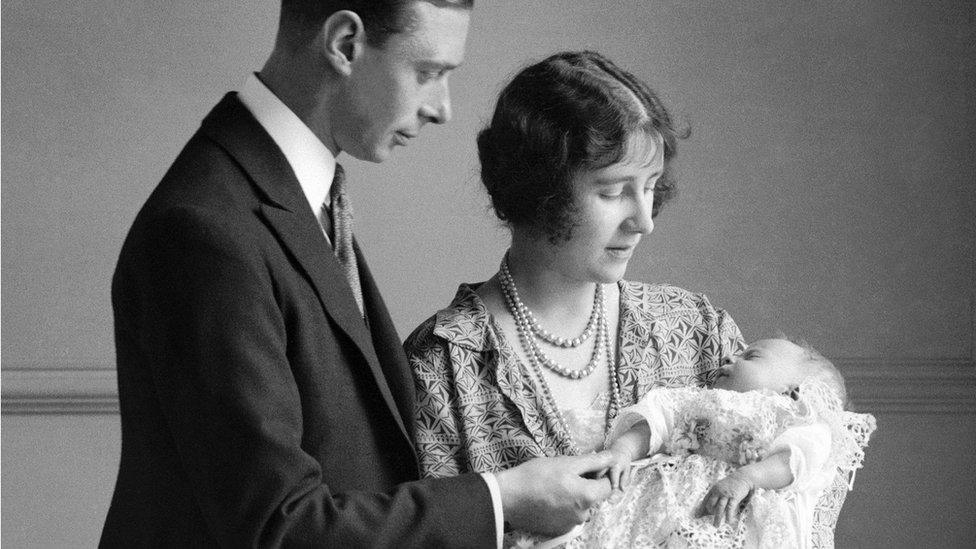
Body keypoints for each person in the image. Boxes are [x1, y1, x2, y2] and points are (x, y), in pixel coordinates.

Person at [100, 3, 618, 547]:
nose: (442, 109)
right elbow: (280, 529)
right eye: (429, 72)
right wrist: (501, 500)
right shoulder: (205, 229)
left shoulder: (299, 198)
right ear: (345, 43)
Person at [404, 51, 745, 545]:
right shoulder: (443, 365)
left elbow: (790, 496)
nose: (643, 220)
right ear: (538, 189)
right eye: (612, 192)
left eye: (650, 187)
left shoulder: (697, 331)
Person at [574, 338, 876, 548]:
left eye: (751, 356)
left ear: (793, 392)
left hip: (733, 516)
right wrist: (622, 451)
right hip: (661, 510)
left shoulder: (793, 417)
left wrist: (747, 477)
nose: (729, 357)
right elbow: (658, 419)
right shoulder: (698, 399)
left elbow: (795, 460)